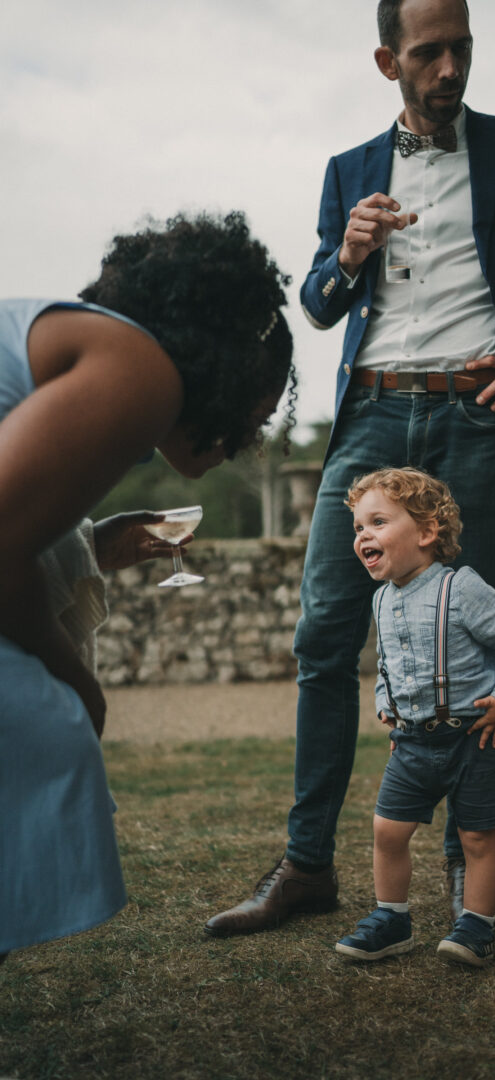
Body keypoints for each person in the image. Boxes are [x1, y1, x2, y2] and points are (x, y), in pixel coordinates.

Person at [205, 0, 495, 938]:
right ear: (389, 60)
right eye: (429, 53)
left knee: (472, 648)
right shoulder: (349, 171)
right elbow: (315, 303)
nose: (450, 68)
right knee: (324, 638)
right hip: (373, 417)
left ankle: (472, 878)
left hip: (476, 413)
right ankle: (307, 866)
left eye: (461, 49)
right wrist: (348, 253)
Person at [0, 211, 295, 962]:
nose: (247, 439)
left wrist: (94, 546)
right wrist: (77, 686)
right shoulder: (140, 371)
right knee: (51, 734)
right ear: (230, 369)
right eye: (257, 413)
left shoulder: (89, 343)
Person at [333, 468, 495, 967]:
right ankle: (391, 918)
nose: (364, 536)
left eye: (378, 522)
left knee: (476, 836)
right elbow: (388, 661)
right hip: (412, 745)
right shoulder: (382, 599)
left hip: (471, 740)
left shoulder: (461, 589)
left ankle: (476, 923)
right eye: (359, 527)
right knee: (387, 831)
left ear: (427, 532)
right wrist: (390, 706)